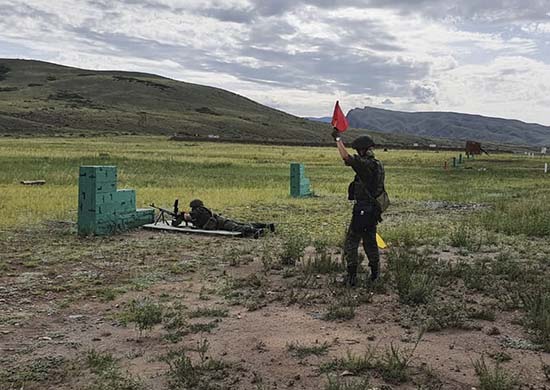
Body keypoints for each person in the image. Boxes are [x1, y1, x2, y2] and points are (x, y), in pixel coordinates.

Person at [332, 130, 385, 286]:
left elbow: (346, 157)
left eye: (358, 150)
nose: (357, 153)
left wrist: (337, 139)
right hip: (372, 210)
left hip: (363, 210)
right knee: (370, 242)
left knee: (351, 242)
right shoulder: (377, 164)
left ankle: (351, 277)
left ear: (362, 150)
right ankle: (375, 275)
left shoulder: (365, 165)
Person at [175, 199, 275, 238]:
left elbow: (189, 216)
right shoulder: (201, 210)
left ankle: (257, 231)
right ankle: (266, 226)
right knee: (241, 224)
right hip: (221, 221)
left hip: (221, 223)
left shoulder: (200, 210)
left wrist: (181, 215)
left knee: (237, 228)